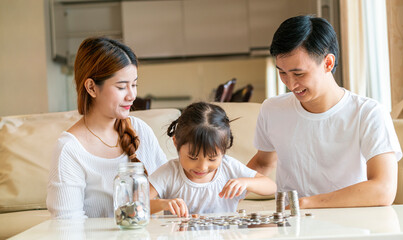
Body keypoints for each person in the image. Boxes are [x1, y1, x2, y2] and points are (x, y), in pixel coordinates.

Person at [247, 15, 402, 209]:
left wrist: (306, 203)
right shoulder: (272, 109)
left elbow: (383, 189)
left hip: (352, 223)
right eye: (282, 73)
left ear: (328, 63)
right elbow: (262, 163)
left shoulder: (368, 113)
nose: (290, 84)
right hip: (292, 226)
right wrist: (212, 193)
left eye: (299, 74)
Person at [46, 37, 167, 219]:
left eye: (134, 85)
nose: (132, 95)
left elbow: (172, 185)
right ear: (91, 87)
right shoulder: (70, 150)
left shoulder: (141, 130)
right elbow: (67, 226)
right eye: (121, 87)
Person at [149, 102, 277, 217]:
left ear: (224, 149)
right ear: (176, 143)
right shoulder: (169, 172)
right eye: (193, 157)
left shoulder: (228, 166)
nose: (202, 167)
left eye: (212, 159)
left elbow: (271, 187)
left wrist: (247, 183)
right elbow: (135, 205)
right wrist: (163, 204)